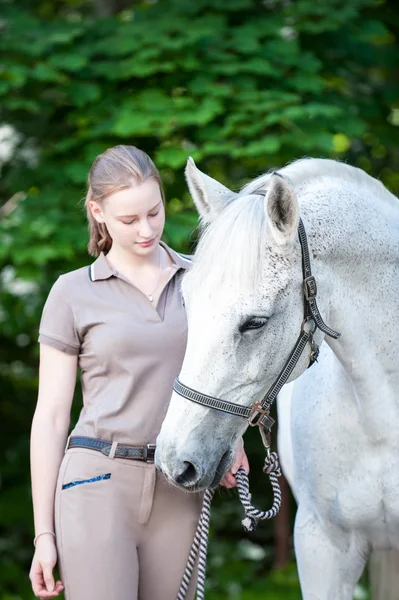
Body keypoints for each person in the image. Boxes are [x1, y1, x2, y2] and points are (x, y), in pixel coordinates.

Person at [29, 145, 249, 600]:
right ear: (98, 213)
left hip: (178, 484)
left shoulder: (202, 282)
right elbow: (50, 418)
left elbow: (222, 375)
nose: (146, 229)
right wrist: (43, 536)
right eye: (129, 220)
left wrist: (233, 439)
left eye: (155, 211)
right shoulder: (71, 293)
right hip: (95, 482)